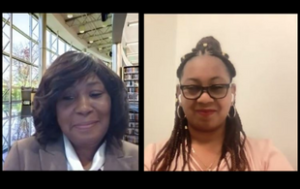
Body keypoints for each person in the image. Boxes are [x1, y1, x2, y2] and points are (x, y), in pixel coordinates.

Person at [144, 36, 293, 171]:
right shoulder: (153, 158)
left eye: (217, 87)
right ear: (179, 93)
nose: (204, 99)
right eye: (192, 88)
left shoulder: (265, 157)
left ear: (232, 91)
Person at [4, 51, 138, 170]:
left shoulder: (137, 158)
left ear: (113, 101)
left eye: (95, 94)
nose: (83, 108)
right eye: (68, 97)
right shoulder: (23, 155)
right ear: (53, 107)